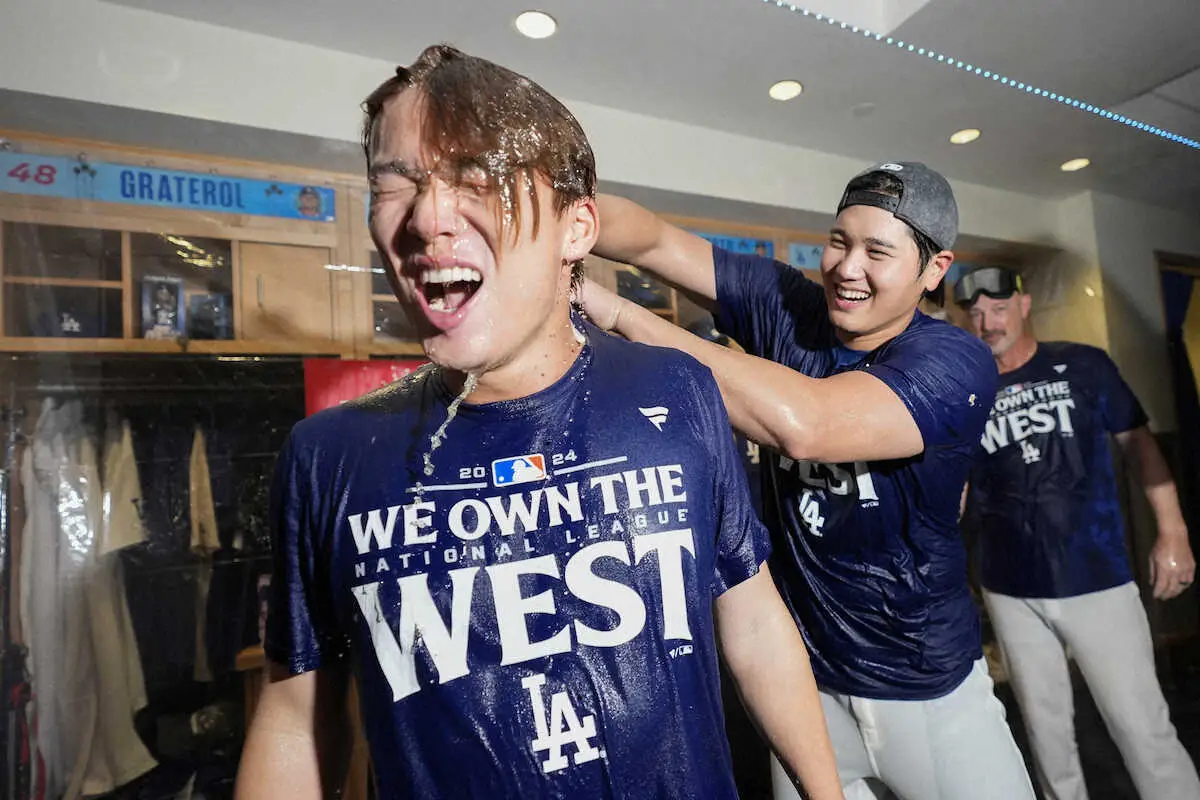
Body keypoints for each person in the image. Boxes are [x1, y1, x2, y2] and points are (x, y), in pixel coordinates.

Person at [235, 45, 843, 800]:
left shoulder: (678, 390)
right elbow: (297, 717)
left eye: (473, 179)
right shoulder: (328, 456)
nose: (427, 218)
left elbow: (752, 622)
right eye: (396, 187)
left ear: (577, 227)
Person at [577, 162, 1037, 800]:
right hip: (804, 687)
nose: (848, 268)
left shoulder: (956, 361)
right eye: (840, 241)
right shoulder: (787, 306)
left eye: (879, 251)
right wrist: (550, 213)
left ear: (934, 270)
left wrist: (618, 314)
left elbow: (807, 425)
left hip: (925, 687)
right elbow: (652, 240)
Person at [957, 266, 1200, 800]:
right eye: (974, 314)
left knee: (1142, 727)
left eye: (998, 308)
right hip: (1010, 588)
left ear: (1023, 307)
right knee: (1047, 737)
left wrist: (1173, 530)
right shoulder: (969, 393)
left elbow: (1139, 444)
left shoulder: (1083, 365)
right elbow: (961, 488)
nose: (986, 322)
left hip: (1097, 580)